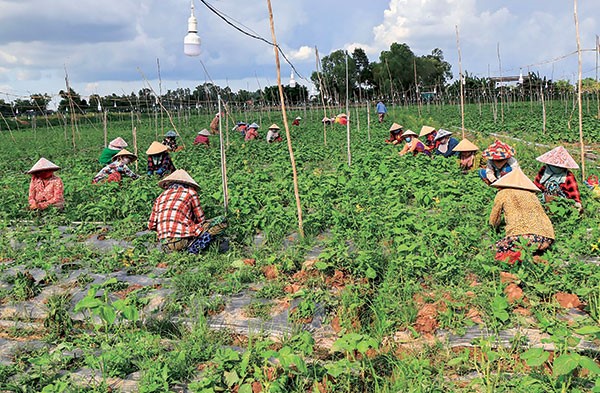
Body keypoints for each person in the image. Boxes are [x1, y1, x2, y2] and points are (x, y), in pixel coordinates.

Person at [148, 169, 228, 254]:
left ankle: (177, 248)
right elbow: (201, 219)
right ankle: (192, 248)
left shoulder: (161, 196)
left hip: (165, 243)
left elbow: (151, 225)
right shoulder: (190, 192)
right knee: (221, 221)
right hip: (182, 240)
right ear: (187, 183)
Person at [489, 168, 555, 262]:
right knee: (523, 246)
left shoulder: (503, 193)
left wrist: (494, 228)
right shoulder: (532, 195)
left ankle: (527, 259)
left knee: (492, 252)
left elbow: (494, 219)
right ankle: (532, 255)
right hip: (546, 237)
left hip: (523, 236)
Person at [533, 146, 582, 211]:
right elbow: (536, 186)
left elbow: (574, 196)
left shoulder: (568, 176)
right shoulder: (544, 170)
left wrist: (576, 206)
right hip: (543, 200)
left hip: (561, 205)